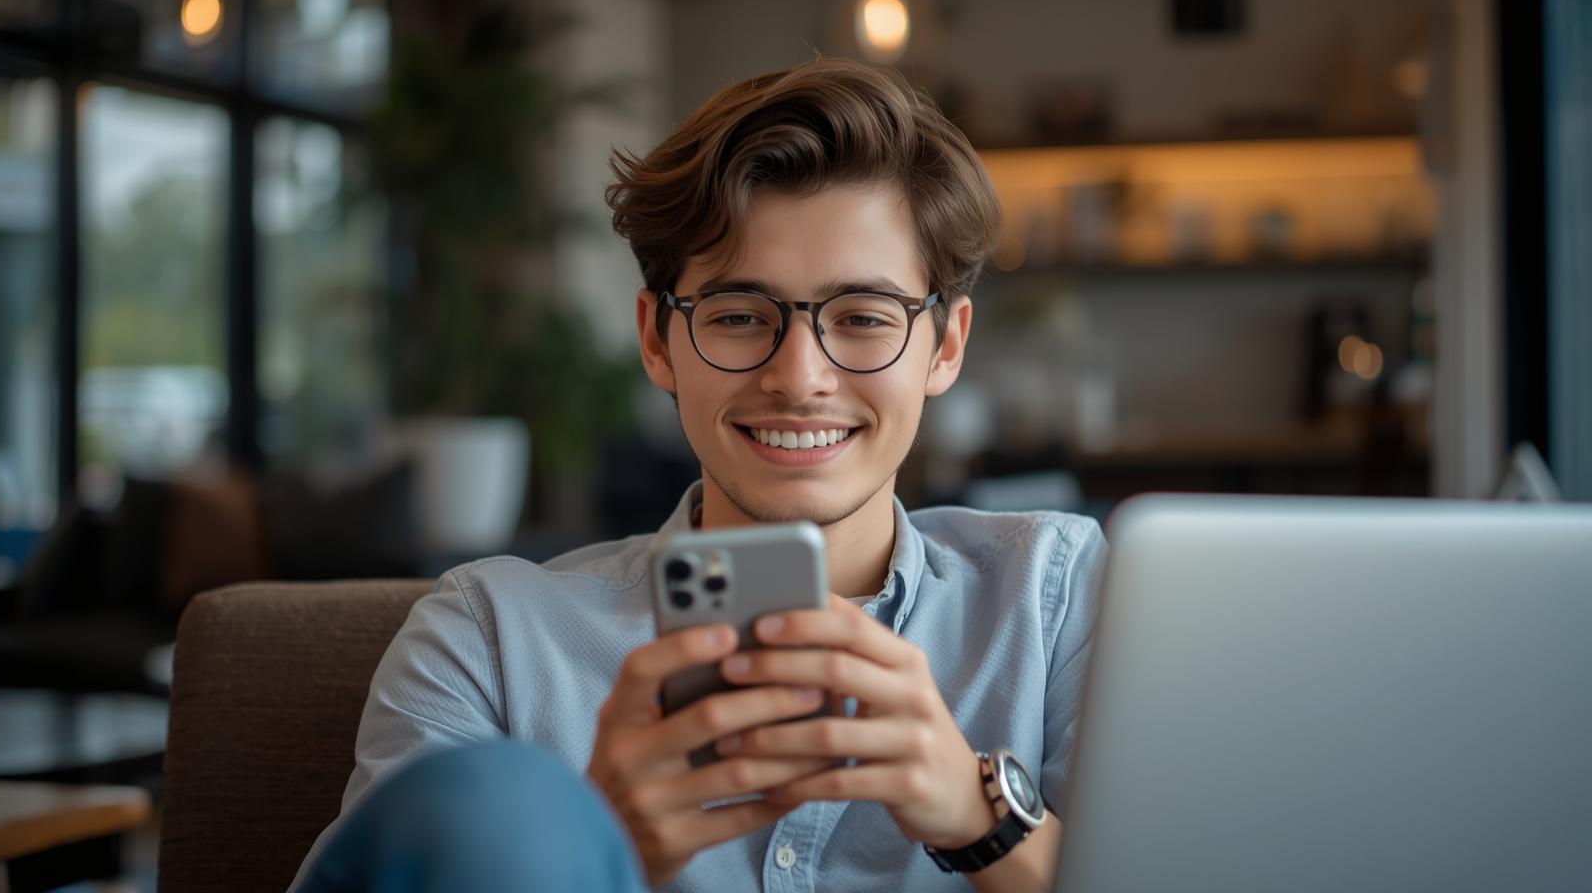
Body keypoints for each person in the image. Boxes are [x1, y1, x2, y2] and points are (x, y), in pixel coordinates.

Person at [290, 57, 1105, 893]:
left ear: (946, 347)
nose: (799, 379)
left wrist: (980, 814)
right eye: (740, 316)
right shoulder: (487, 639)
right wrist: (600, 848)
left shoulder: (1059, 598)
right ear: (657, 340)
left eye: (863, 318)